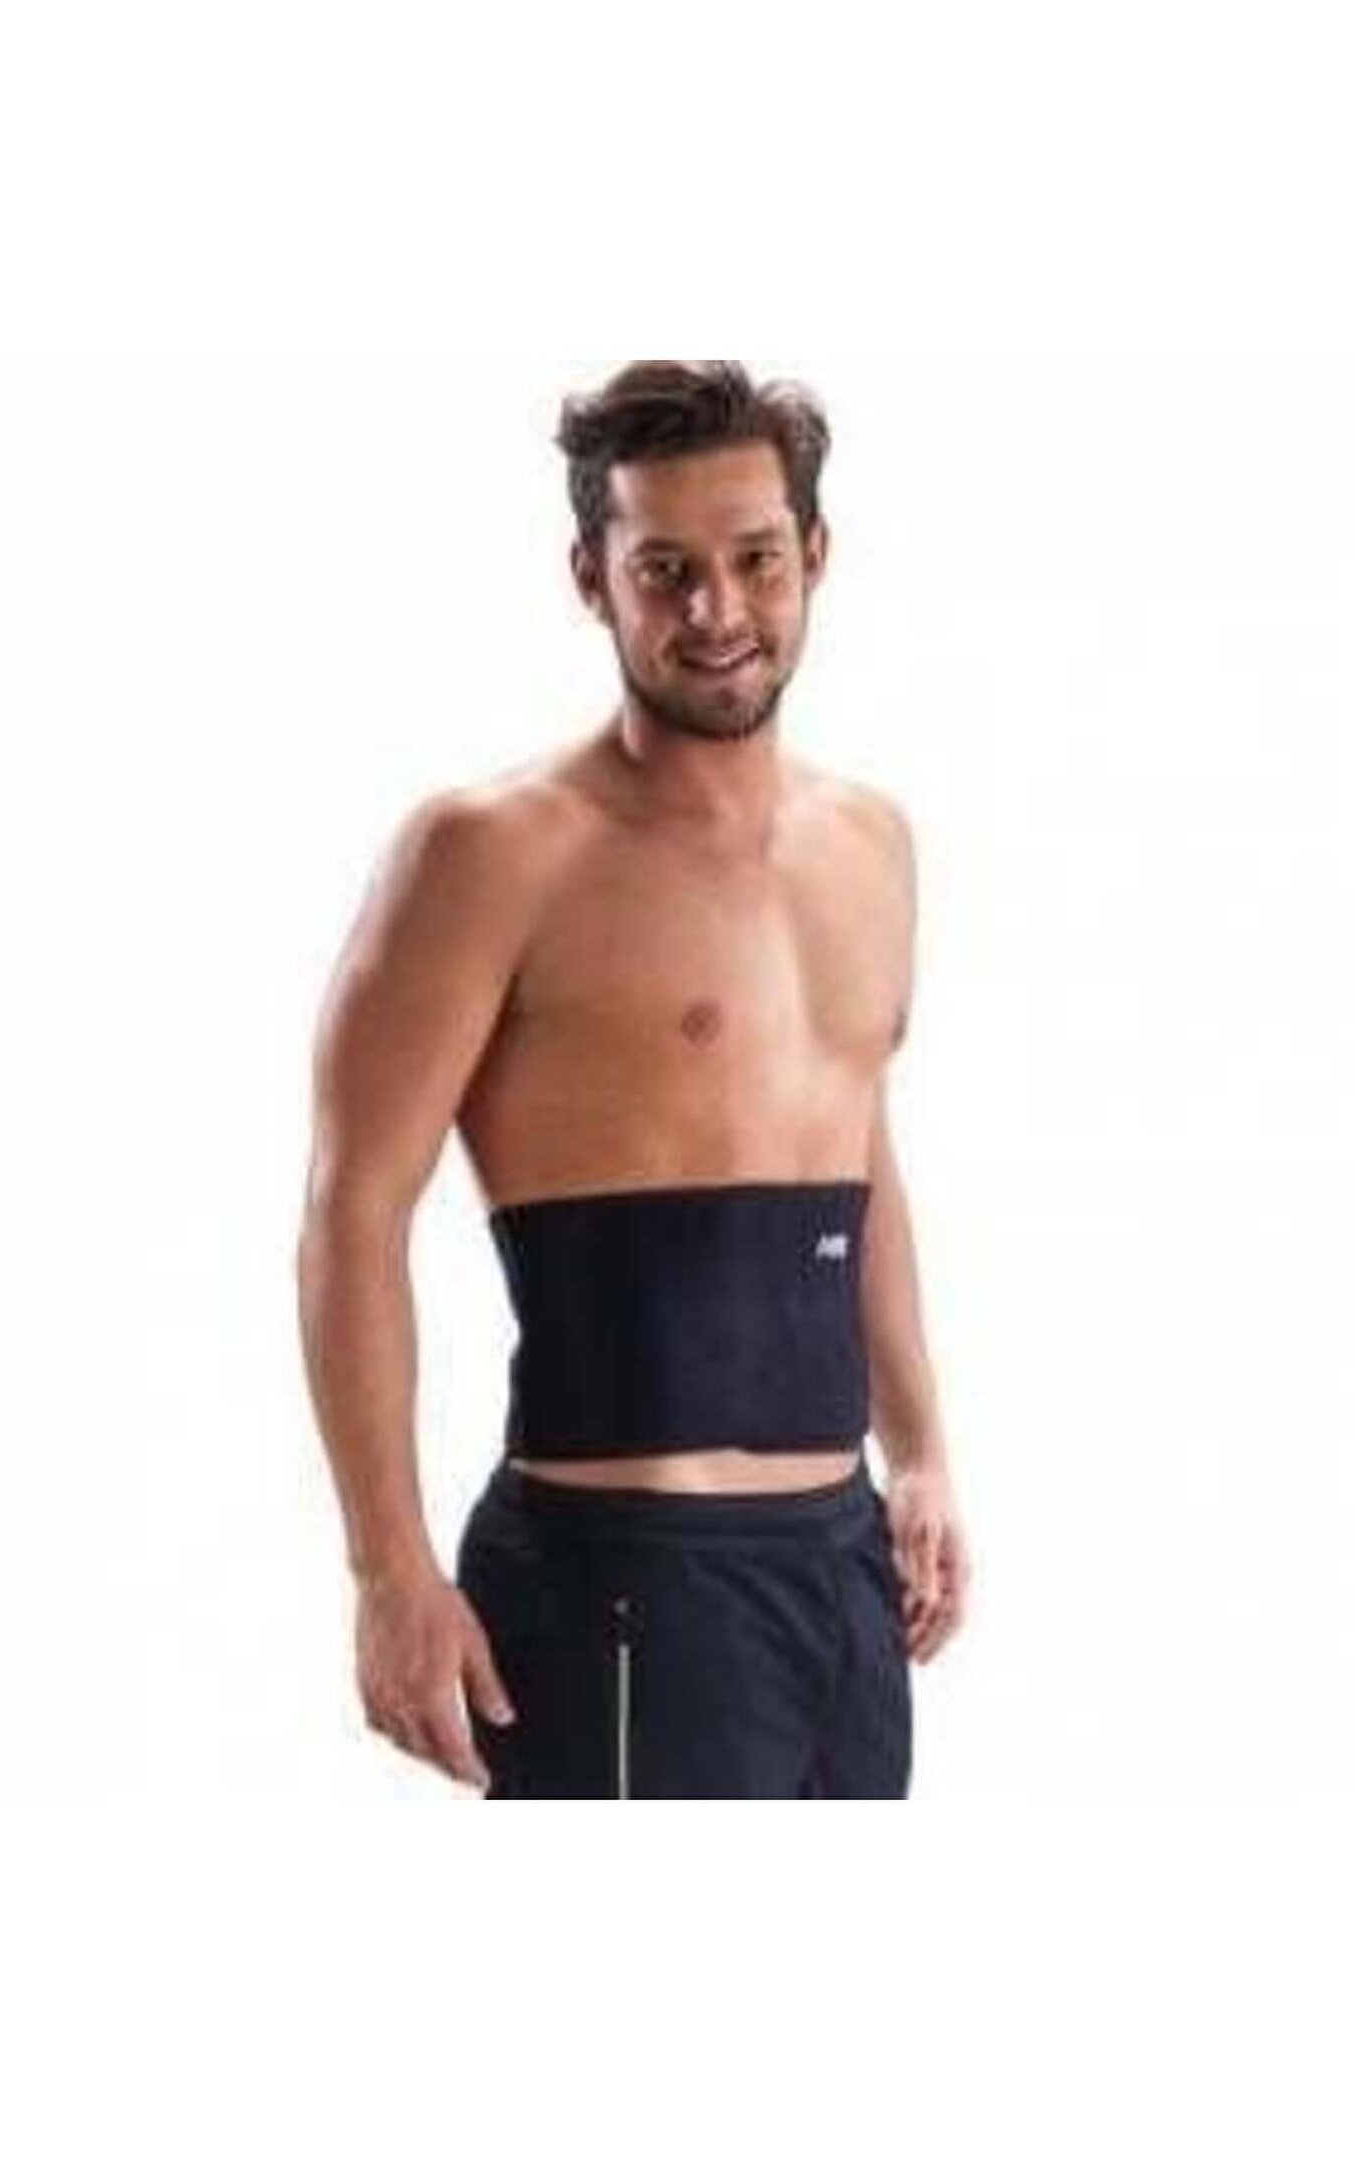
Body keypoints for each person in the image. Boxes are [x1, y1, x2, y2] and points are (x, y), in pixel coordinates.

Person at [296, 360, 971, 1799]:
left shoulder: (873, 845)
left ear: (815, 557)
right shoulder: (488, 855)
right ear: (592, 578)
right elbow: (355, 1207)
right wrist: (387, 1570)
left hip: (842, 1574)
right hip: (623, 1580)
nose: (717, 610)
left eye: (754, 560)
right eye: (666, 569)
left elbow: (856, 1147)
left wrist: (919, 1451)